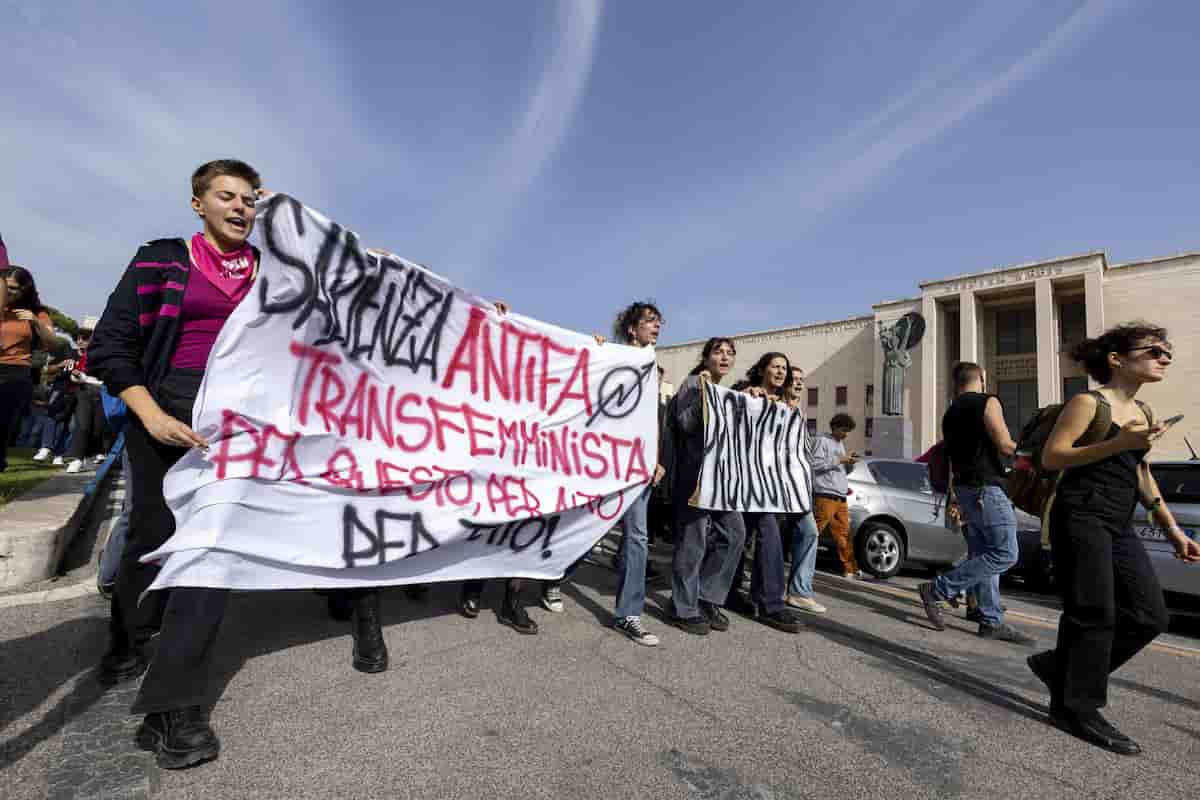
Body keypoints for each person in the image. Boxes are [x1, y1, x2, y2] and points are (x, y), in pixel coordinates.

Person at [87, 160, 374, 770]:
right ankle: (129, 639)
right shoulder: (161, 260)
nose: (240, 207)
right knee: (151, 535)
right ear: (198, 203)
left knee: (211, 546)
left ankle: (175, 704)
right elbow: (111, 345)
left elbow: (354, 280)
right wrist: (150, 415)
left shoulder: (276, 272)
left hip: (240, 425)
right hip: (164, 408)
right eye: (227, 196)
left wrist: (297, 222)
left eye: (250, 199)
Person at [1029, 323, 1199, 755]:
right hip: (1080, 513)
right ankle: (1074, 708)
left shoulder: (1143, 410)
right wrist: (1118, 442)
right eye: (1153, 350)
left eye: (1167, 351)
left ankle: (1059, 667)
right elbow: (1053, 457)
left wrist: (1173, 530)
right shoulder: (1089, 403)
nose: (1164, 357)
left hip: (1119, 519)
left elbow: (1141, 473)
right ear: (1116, 359)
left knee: (1149, 614)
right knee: (1093, 612)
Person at [916, 363, 1033, 645]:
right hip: (986, 488)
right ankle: (937, 589)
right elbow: (1005, 445)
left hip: (965, 490)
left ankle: (990, 620)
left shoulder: (950, 412)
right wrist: (1037, 457)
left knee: (984, 554)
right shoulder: (987, 401)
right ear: (982, 378)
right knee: (1005, 553)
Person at [665, 337, 747, 635]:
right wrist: (702, 395)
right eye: (718, 351)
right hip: (694, 477)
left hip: (721, 478)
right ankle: (681, 607)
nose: (724, 357)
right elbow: (685, 425)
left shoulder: (726, 391)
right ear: (706, 357)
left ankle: (706, 597)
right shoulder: (692, 384)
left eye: (730, 353)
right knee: (693, 541)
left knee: (735, 534)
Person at [725, 353, 802, 633]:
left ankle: (767, 600)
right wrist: (748, 397)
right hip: (741, 479)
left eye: (784, 368)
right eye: (775, 366)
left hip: (767, 485)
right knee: (741, 536)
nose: (781, 372)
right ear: (762, 370)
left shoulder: (785, 405)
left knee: (765, 532)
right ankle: (740, 594)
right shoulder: (746, 393)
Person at [605, 301, 665, 646]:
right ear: (632, 328)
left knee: (638, 537)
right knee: (586, 528)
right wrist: (597, 349)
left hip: (637, 465)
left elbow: (650, 419)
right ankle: (552, 578)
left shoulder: (650, 364)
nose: (656, 327)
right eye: (649, 321)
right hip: (604, 460)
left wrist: (655, 458)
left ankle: (628, 614)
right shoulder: (612, 356)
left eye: (658, 322)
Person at [1, 266, 56, 472]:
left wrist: (35, 322)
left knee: (4, 421)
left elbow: (52, 342)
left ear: (25, 290)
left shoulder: (36, 313)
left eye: (13, 288)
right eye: (5, 287)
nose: (8, 292)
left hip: (16, 370)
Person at [782, 367, 825, 614]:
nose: (798, 384)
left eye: (801, 380)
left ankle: (799, 592)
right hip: (779, 484)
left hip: (799, 487)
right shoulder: (777, 409)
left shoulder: (800, 414)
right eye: (794, 379)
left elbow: (805, 454)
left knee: (808, 532)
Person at [808, 413, 861, 579]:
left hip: (840, 496)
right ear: (835, 427)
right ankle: (801, 561)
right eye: (844, 430)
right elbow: (815, 464)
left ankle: (850, 569)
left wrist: (850, 464)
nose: (846, 434)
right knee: (814, 530)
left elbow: (840, 470)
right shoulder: (822, 440)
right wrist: (840, 460)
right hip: (825, 494)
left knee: (844, 533)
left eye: (848, 431)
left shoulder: (840, 444)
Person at [62, 326, 112, 473]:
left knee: (98, 428)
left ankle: (89, 456)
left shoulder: (110, 355)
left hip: (104, 393)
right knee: (83, 425)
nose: (81, 341)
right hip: (85, 391)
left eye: (85, 339)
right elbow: (76, 376)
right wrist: (77, 375)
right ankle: (77, 459)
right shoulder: (86, 355)